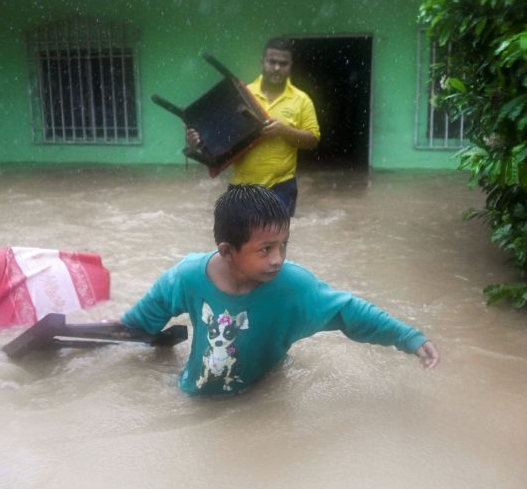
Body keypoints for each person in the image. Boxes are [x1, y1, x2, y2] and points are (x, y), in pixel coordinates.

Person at [118, 184, 440, 396]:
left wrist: (408, 338)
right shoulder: (187, 276)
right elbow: (142, 321)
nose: (278, 259)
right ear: (228, 251)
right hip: (193, 394)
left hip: (261, 394)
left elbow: (348, 312)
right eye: (266, 249)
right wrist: (114, 337)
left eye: (283, 245)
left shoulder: (292, 286)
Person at [186, 37, 320, 216]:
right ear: (262, 62)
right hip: (240, 188)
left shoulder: (302, 100)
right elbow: (219, 138)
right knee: (237, 242)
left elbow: (312, 140)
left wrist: (283, 130)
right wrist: (197, 142)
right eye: (272, 62)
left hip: (281, 188)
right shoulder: (241, 94)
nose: (277, 68)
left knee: (274, 243)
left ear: (291, 65)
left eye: (283, 63)